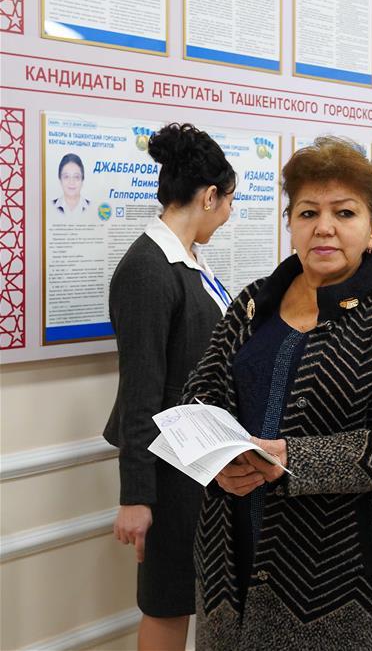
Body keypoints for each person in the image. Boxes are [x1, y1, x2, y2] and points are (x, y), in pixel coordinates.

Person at [183, 137, 372, 650]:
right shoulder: (253, 303)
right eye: (307, 212)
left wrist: (295, 460)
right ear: (290, 223)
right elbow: (201, 393)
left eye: (343, 212)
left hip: (343, 577)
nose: (323, 227)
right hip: (230, 559)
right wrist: (211, 459)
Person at [103, 123, 237, 650]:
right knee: (167, 600)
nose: (228, 216)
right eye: (227, 202)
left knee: (193, 595)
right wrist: (136, 498)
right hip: (168, 467)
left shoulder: (189, 260)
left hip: (199, 460)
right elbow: (141, 391)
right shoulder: (147, 270)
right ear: (208, 196)